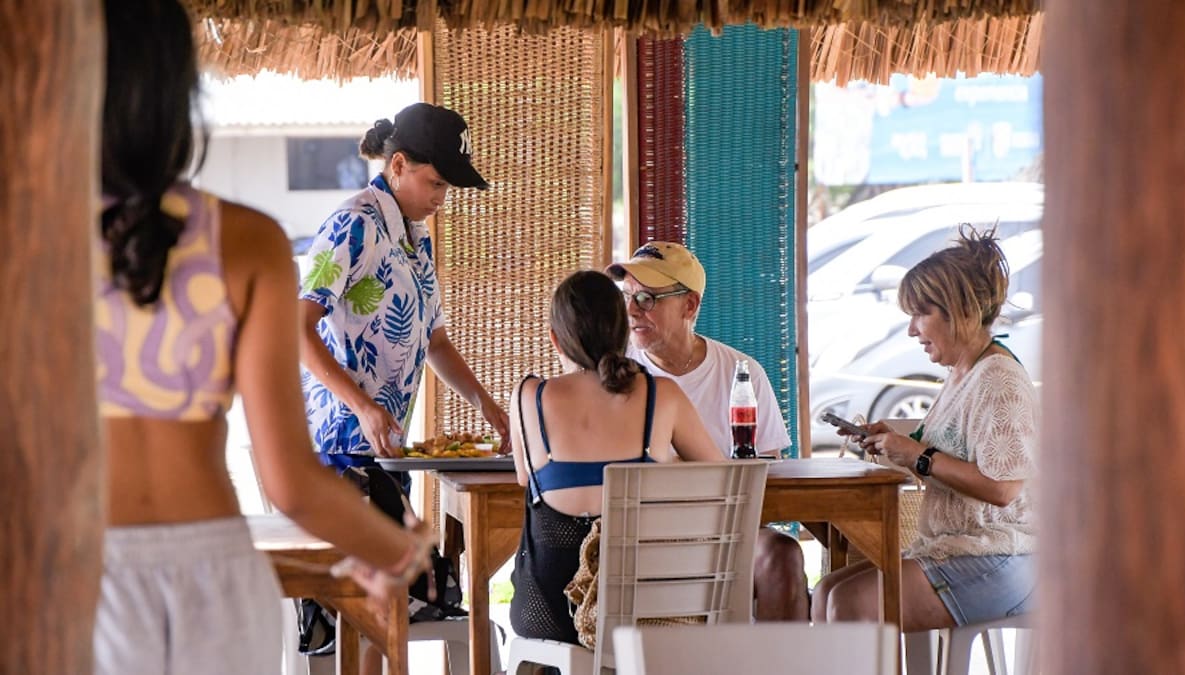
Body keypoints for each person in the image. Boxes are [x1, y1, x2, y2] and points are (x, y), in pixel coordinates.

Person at [93, 2, 435, 674]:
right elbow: (291, 480)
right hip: (215, 575)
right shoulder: (247, 242)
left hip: (75, 573)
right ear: (177, 90)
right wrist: (397, 550)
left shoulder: (25, 242)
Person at [811, 226, 1037, 630]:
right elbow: (945, 453)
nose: (912, 330)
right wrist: (898, 444)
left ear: (961, 311)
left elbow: (1003, 489)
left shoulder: (998, 379)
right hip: (960, 548)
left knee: (849, 602)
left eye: (921, 314)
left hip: (1003, 555)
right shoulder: (963, 373)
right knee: (827, 589)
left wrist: (919, 455)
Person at [508, 270, 725, 644]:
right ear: (624, 331)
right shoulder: (662, 395)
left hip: (547, 612)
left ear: (555, 339)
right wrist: (666, 465)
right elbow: (722, 478)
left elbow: (525, 479)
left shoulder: (529, 396)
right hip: (646, 612)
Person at [299, 102, 510, 479]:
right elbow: (297, 329)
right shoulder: (352, 224)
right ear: (398, 165)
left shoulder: (417, 237)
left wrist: (486, 405)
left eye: (446, 187)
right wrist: (363, 408)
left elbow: (436, 342)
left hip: (387, 446)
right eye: (436, 183)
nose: (442, 198)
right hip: (337, 446)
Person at [606, 241, 809, 621]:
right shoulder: (612, 374)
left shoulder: (742, 372)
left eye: (647, 298)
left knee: (782, 555)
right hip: (637, 536)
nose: (632, 310)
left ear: (689, 305)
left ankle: (777, 655)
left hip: (725, 533)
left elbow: (767, 476)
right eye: (626, 297)